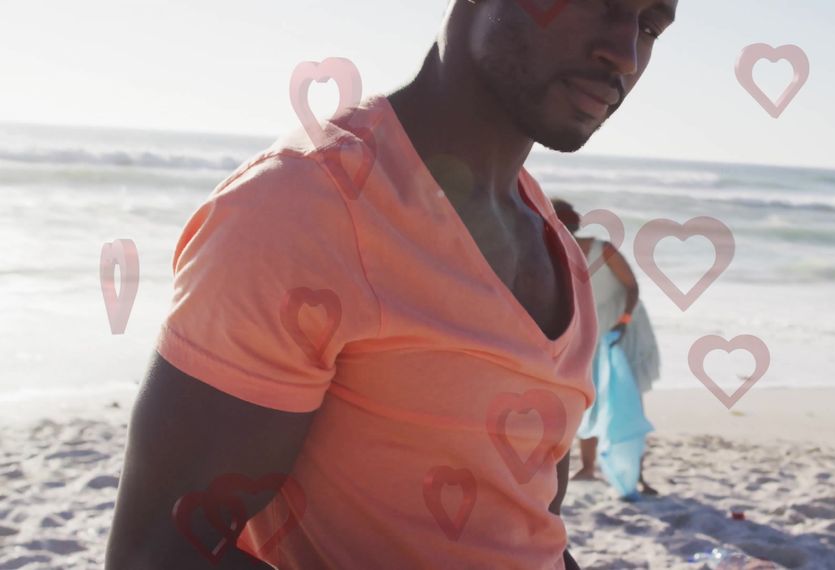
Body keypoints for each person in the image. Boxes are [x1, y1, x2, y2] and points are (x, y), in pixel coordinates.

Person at [105, 1, 678, 569]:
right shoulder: (305, 208)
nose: (625, 55)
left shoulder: (559, 249)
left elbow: (530, 529)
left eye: (650, 26)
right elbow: (157, 553)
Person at [551, 199, 661, 499]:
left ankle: (638, 475)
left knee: (626, 397)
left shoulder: (603, 249)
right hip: (590, 330)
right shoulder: (554, 252)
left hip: (622, 326)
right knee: (589, 395)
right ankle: (588, 467)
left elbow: (632, 287)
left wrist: (623, 321)